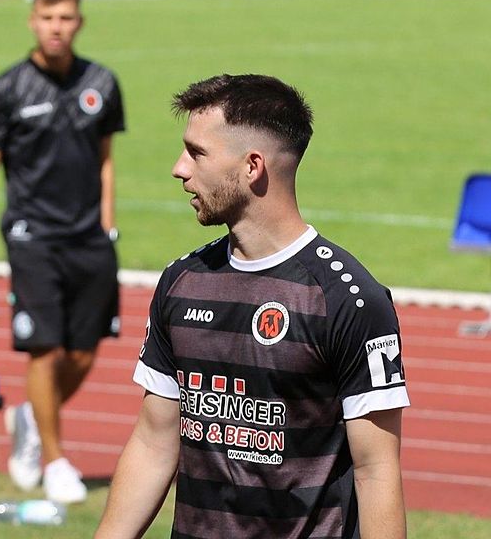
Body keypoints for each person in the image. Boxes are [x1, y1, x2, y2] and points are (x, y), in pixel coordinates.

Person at [95, 74, 409, 538]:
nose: (179, 169)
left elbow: (376, 471)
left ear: (252, 166)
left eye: (197, 152)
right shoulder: (181, 282)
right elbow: (154, 442)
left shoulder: (349, 299)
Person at [0, 0, 125, 504]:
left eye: (66, 17)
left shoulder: (102, 81)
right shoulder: (7, 88)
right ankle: (54, 458)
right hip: (31, 234)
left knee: (83, 353)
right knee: (46, 348)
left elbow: (104, 158)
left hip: (89, 237)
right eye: (47, 17)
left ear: (79, 21)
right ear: (32, 20)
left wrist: (107, 221)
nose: (57, 27)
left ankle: (31, 419)